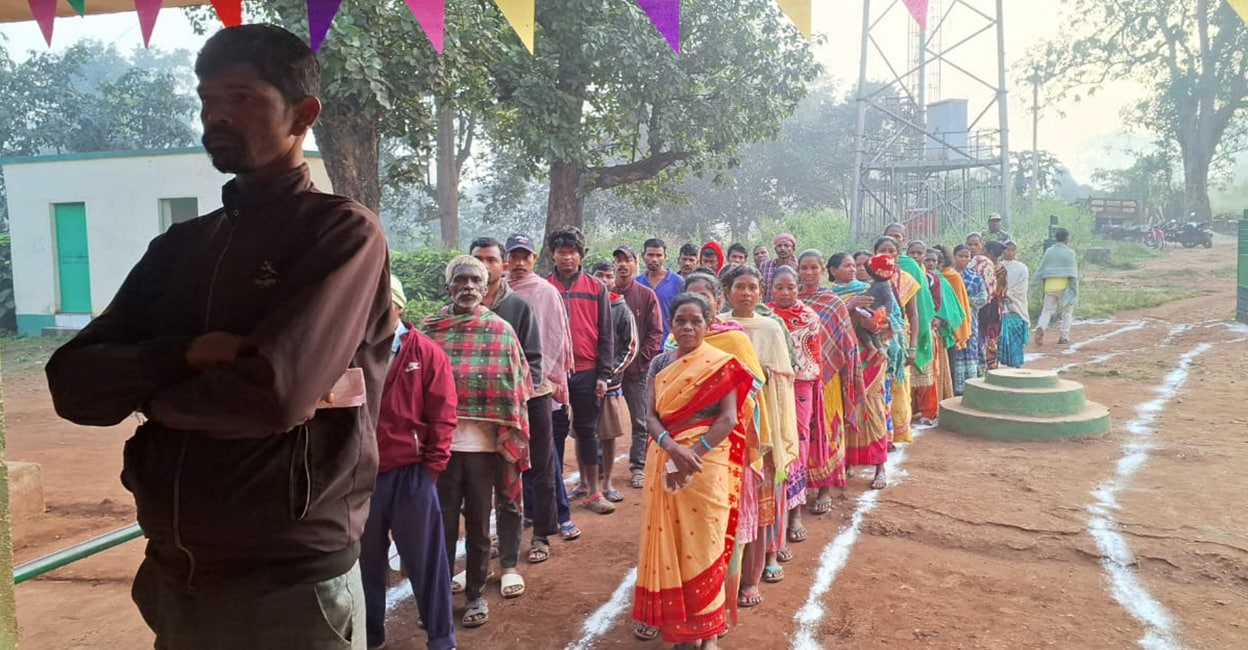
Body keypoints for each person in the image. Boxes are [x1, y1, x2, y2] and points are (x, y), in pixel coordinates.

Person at [45, 25, 390, 648]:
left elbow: (273, 394)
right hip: (176, 578)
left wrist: (148, 395)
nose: (218, 117)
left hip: (292, 586)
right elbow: (71, 384)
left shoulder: (341, 235)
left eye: (242, 98)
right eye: (207, 101)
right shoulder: (180, 248)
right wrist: (181, 355)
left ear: (303, 114)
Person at [632, 294, 756, 650]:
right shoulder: (659, 363)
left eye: (695, 321)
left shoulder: (723, 364)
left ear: (708, 323)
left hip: (707, 464)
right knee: (671, 542)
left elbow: (730, 418)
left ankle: (709, 632)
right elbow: (650, 416)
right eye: (681, 321)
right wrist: (673, 448)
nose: (687, 327)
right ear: (671, 324)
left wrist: (694, 453)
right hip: (667, 457)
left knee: (707, 546)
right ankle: (678, 628)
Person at [425, 256, 532, 628]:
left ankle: (474, 597)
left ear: (486, 286)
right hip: (442, 448)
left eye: (476, 280)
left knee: (478, 528)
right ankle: (436, 599)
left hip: (485, 449)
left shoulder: (501, 331)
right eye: (461, 280)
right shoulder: (431, 330)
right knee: (440, 524)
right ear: (449, 285)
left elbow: (517, 388)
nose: (468, 286)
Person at [361, 276, 457, 650]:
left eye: (382, 306)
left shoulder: (426, 353)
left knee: (426, 561)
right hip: (362, 476)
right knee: (365, 562)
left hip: (412, 474)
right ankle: (371, 636)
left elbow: (443, 415)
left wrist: (430, 469)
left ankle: (441, 638)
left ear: (399, 307)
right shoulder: (353, 352)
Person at [721, 264, 798, 607]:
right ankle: (723, 579)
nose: (747, 293)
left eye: (753, 287)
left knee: (760, 502)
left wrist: (757, 378)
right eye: (740, 287)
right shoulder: (719, 326)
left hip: (761, 425)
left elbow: (783, 381)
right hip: (725, 425)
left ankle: (751, 579)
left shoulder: (770, 328)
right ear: (727, 292)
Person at [471, 236, 545, 584]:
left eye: (490, 260)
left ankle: (510, 564)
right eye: (477, 260)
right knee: (471, 499)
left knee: (509, 493)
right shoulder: (456, 310)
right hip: (466, 425)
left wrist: (508, 398)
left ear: (502, 265)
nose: (484, 267)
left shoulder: (519, 308)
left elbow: (534, 364)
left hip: (508, 420)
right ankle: (478, 563)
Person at [505, 233, 581, 546]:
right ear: (506, 259)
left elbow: (555, 339)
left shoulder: (545, 292)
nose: (519, 263)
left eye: (525, 257)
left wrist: (544, 379)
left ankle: (560, 515)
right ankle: (526, 514)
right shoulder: (498, 292)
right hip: (505, 389)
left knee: (544, 455)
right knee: (512, 455)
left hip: (538, 387)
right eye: (514, 257)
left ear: (534, 259)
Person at [547, 226, 617, 515]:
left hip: (587, 370)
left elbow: (606, 333)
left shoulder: (596, 287)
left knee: (588, 430)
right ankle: (554, 492)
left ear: (581, 255)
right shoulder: (544, 287)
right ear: (553, 255)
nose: (567, 257)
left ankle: (593, 491)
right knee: (554, 431)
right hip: (553, 373)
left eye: (572, 252)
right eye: (562, 252)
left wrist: (604, 374)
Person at [827, 252, 891, 491]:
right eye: (847, 265)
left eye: (855, 265)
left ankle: (880, 466)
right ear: (833, 271)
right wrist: (849, 307)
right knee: (846, 409)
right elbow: (826, 323)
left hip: (869, 358)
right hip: (843, 358)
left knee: (873, 409)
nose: (853, 269)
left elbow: (887, 319)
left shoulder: (869, 289)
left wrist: (875, 321)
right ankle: (847, 461)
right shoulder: (829, 295)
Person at [768, 267, 819, 555]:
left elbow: (808, 362)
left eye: (790, 287)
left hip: (799, 387)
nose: (785, 293)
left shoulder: (809, 318)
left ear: (798, 289)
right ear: (772, 289)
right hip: (770, 386)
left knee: (795, 444)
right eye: (779, 288)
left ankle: (794, 511)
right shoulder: (764, 318)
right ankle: (771, 512)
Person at [612, 246, 664, 492]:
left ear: (636, 264)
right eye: (619, 260)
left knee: (641, 420)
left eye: (628, 260)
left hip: (637, 370)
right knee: (603, 420)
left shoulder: (645, 295)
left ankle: (638, 467)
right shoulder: (606, 294)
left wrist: (642, 361)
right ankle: (601, 468)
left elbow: (655, 333)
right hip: (609, 370)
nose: (623, 264)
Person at [590, 261, 640, 503]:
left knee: (608, 435)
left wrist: (608, 374)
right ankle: (586, 483)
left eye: (608, 276)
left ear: (614, 281)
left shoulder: (621, 309)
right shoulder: (584, 305)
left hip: (610, 384)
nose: (604, 280)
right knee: (583, 433)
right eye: (599, 275)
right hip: (583, 382)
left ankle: (607, 481)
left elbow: (630, 348)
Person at [932, 245, 973, 399]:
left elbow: (956, 305)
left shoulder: (949, 278)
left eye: (935, 261)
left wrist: (945, 320)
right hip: (935, 329)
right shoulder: (928, 277)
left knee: (949, 365)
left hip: (947, 328)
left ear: (941, 262)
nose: (932, 264)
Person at [1032, 228, 1079, 346]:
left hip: (1050, 286)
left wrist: (1032, 284)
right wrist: (1074, 289)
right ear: (1067, 238)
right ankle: (1064, 337)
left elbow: (1041, 269)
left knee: (1046, 311)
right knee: (1067, 312)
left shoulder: (1049, 251)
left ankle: (1041, 327)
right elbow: (1073, 274)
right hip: (1064, 287)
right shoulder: (1070, 253)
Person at [952, 245, 988, 394]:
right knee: (954, 350)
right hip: (953, 320)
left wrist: (966, 299)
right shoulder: (949, 276)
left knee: (971, 348)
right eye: (961, 256)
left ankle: (970, 385)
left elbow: (982, 298)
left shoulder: (974, 276)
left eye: (967, 256)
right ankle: (953, 387)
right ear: (954, 256)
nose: (964, 259)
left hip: (970, 320)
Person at [638, 238, 685, 339]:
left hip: (668, 343)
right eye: (650, 255)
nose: (654, 259)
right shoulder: (636, 283)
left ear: (665, 257)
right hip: (643, 345)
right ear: (643, 256)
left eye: (659, 255)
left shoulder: (678, 282)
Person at [998, 241, 1031, 367]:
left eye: (1012, 250)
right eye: (1006, 249)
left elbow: (1021, 288)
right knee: (1000, 337)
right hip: (1000, 305)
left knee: (1016, 338)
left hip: (1016, 307)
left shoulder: (1022, 268)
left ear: (1016, 251)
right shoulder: (998, 266)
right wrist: (1001, 294)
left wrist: (1007, 294)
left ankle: (1016, 365)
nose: (1009, 252)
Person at [980, 240, 1009, 369]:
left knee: (985, 334)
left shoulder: (985, 267)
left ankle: (986, 365)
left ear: (989, 253)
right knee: (993, 335)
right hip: (996, 306)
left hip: (988, 306)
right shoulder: (1001, 269)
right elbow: (1002, 291)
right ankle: (992, 366)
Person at [759, 233, 798, 303]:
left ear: (793, 249)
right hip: (768, 310)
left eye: (786, 246)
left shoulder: (798, 268)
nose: (782, 248)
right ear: (775, 249)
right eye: (779, 246)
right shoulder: (765, 266)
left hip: (791, 311)